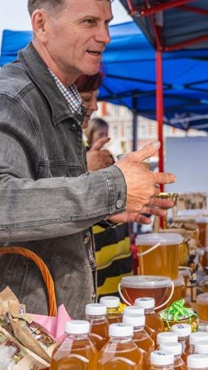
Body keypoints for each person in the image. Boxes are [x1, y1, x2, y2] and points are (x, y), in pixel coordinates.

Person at [0, 0, 175, 318]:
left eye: (107, 23)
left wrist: (109, 209)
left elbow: (42, 198)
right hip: (9, 343)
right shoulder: (7, 99)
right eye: (88, 22)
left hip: (46, 332)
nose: (105, 36)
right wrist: (110, 189)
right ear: (41, 24)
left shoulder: (59, 100)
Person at [75, 74, 132, 299]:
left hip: (110, 256)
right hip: (94, 264)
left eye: (95, 98)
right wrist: (89, 170)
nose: (94, 106)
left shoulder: (81, 146)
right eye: (87, 97)